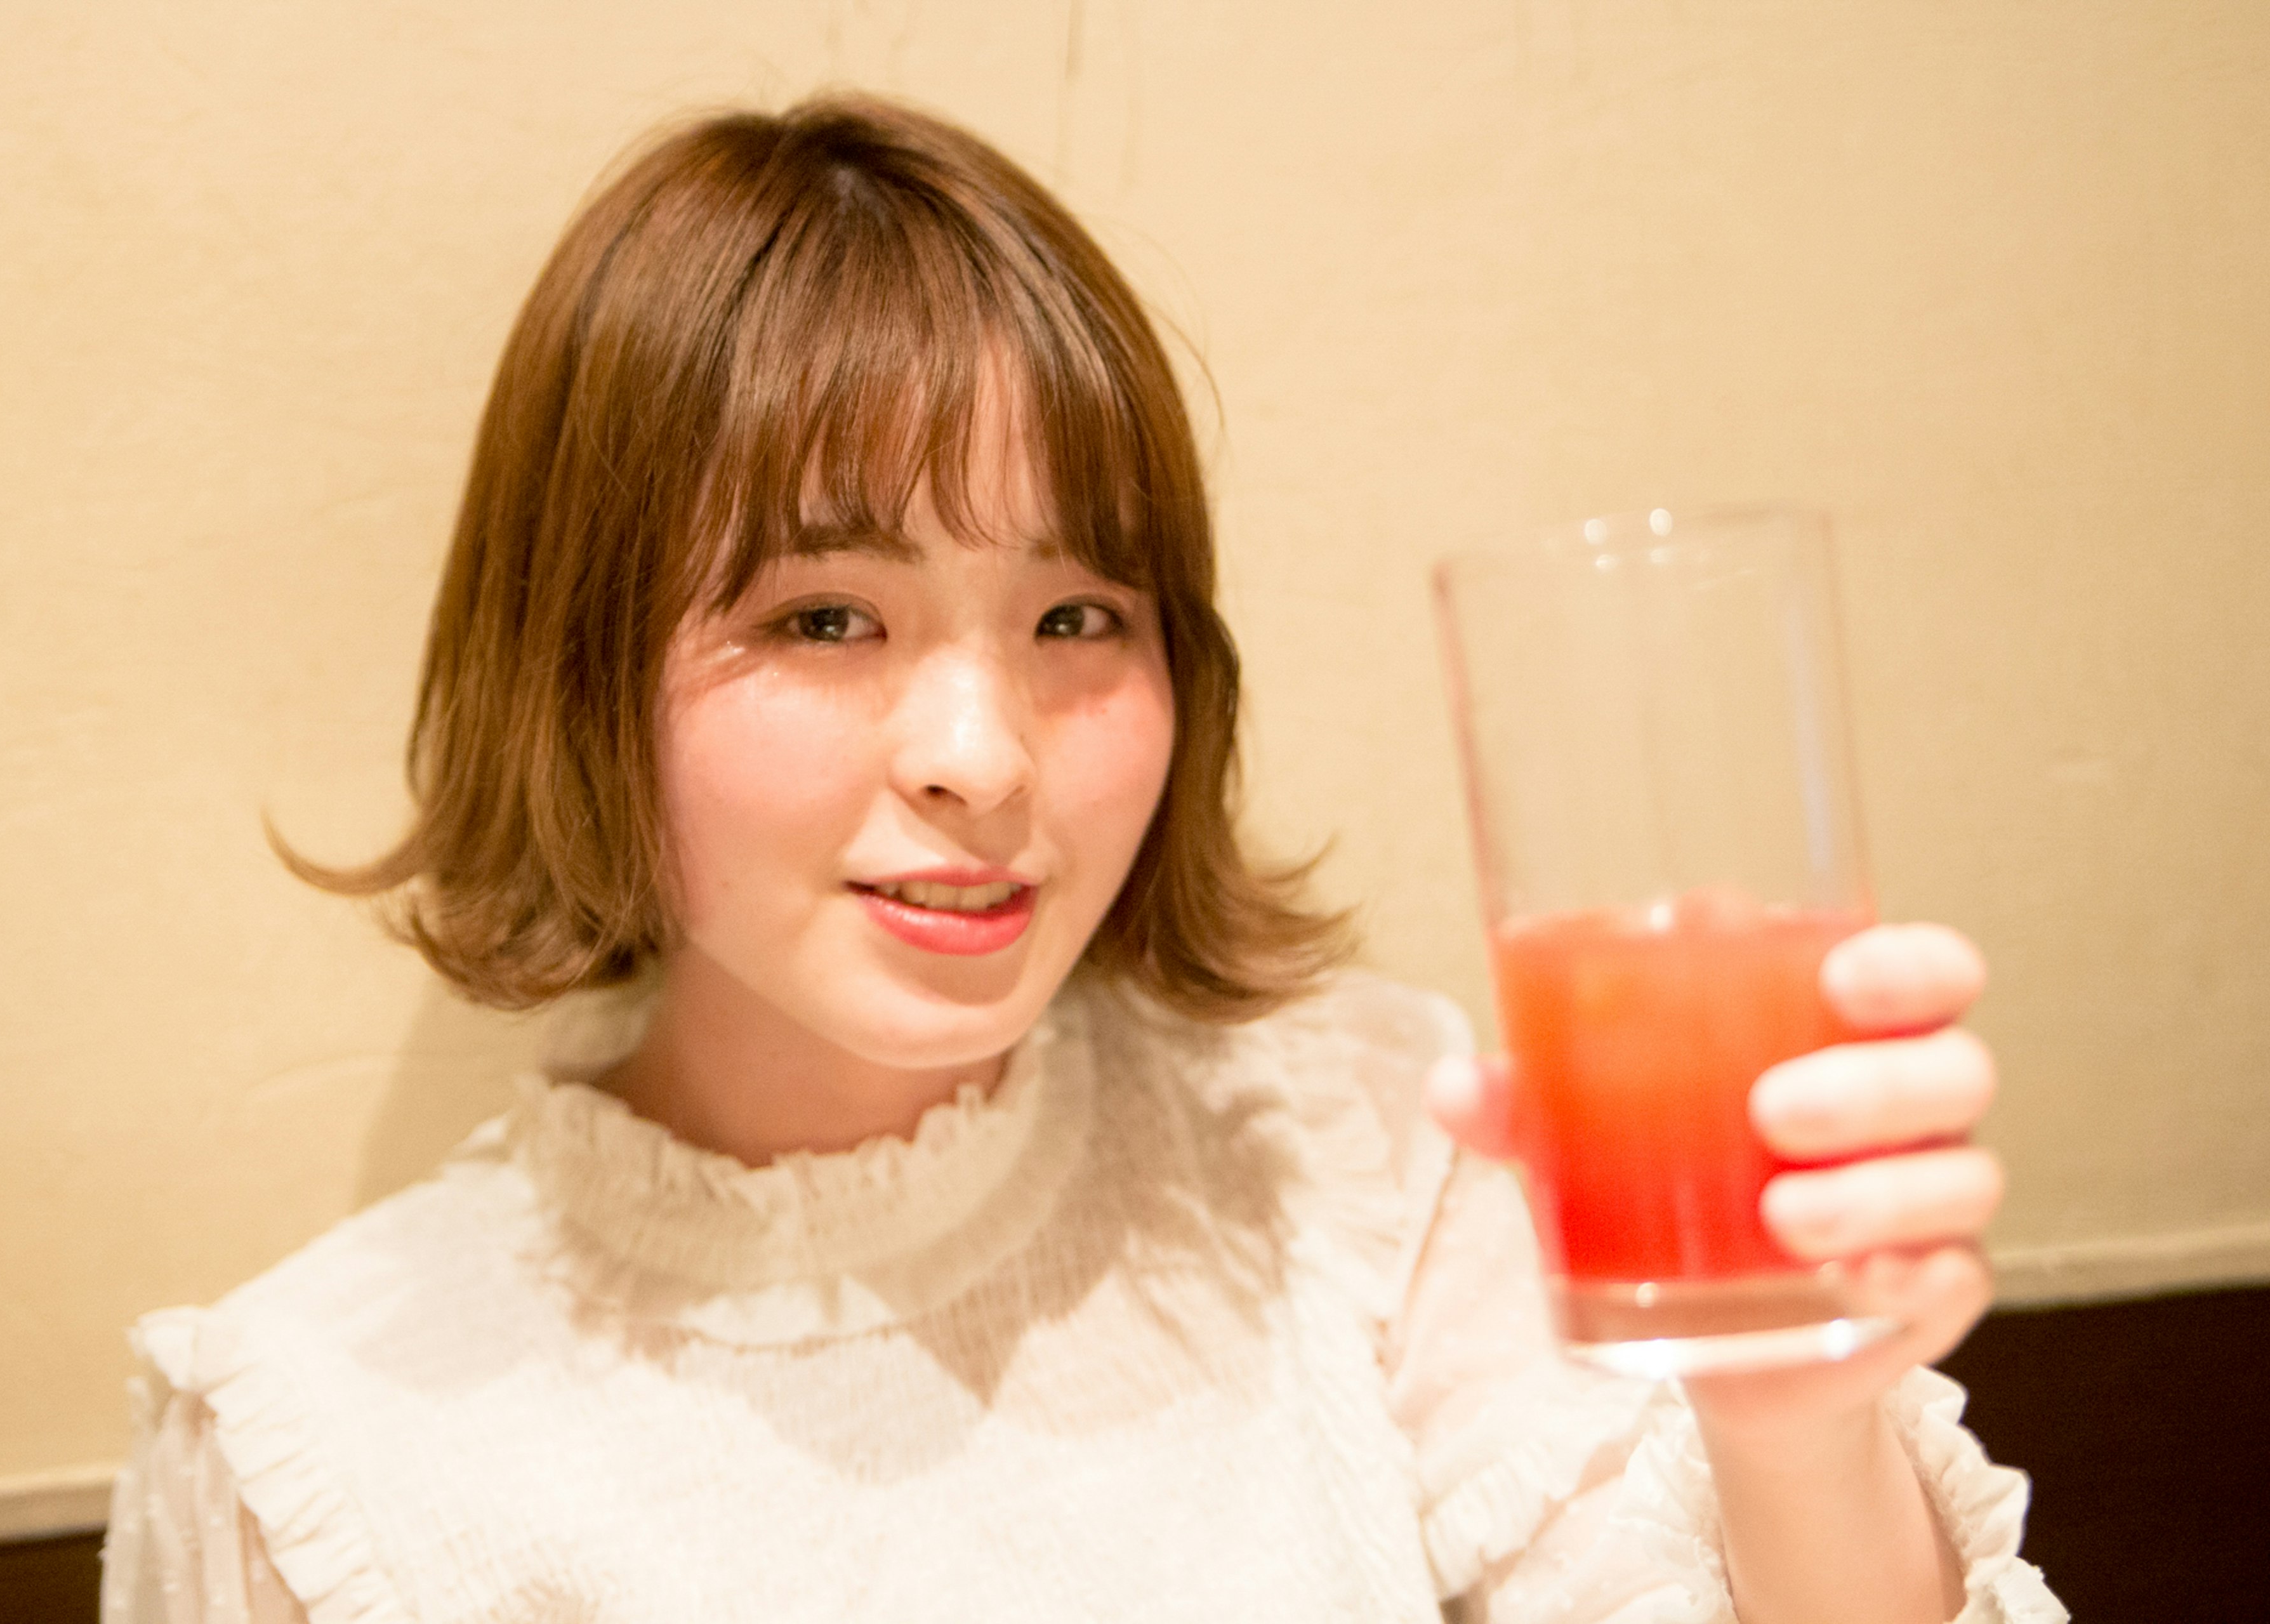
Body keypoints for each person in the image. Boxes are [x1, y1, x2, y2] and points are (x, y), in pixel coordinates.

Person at [100, 96, 2066, 1624]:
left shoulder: (1356, 1165)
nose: (979, 759)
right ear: (582, 664)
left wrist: (1793, 1424)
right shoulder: (319, 1435)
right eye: (821, 619)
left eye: (1075, 621)